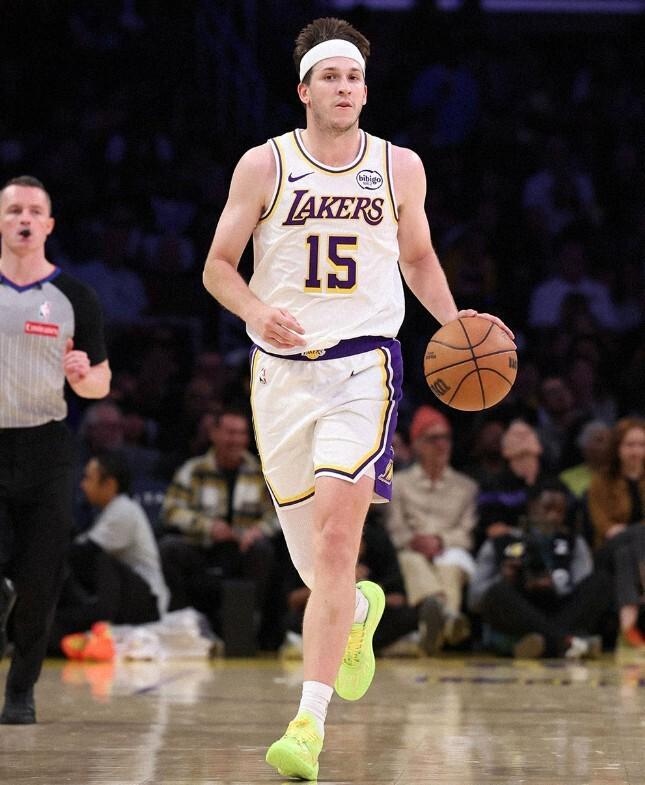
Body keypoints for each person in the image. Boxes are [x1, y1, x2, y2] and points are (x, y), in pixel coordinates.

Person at [201, 18, 513, 780]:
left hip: (362, 369)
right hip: (280, 376)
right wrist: (254, 310)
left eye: (353, 78)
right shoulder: (264, 164)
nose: (343, 88)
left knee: (339, 543)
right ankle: (361, 611)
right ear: (303, 90)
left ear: (365, 91)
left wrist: (456, 322)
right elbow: (216, 266)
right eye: (330, 77)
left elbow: (418, 256)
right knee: (318, 567)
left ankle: (306, 724)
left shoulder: (398, 166)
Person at [0, 175, 111, 723]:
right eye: (12, 210)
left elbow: (101, 384)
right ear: (1, 222)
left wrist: (82, 374)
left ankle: (20, 692)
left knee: (41, 580)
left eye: (33, 211)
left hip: (46, 447)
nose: (23, 218)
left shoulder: (75, 297)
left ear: (48, 224)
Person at [158, 408, 278, 648]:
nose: (236, 440)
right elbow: (170, 510)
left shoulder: (259, 472)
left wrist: (258, 531)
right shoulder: (194, 469)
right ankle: (184, 627)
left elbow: (277, 514)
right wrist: (206, 526)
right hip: (202, 549)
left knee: (264, 550)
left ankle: (249, 629)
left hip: (242, 551)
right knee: (169, 548)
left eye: (241, 433)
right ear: (214, 434)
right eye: (230, 432)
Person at [469, 480, 611, 659]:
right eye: (547, 508)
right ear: (531, 507)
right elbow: (474, 600)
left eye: (560, 511)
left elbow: (583, 589)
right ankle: (566, 642)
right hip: (520, 612)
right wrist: (505, 579)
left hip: (560, 612)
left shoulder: (574, 542)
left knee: (601, 581)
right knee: (497, 592)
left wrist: (556, 586)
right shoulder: (500, 542)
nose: (553, 517)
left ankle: (546, 644)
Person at [52, 451, 169, 657]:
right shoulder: (108, 511)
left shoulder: (124, 510)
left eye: (89, 478)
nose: (82, 485)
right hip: (127, 596)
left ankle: (99, 616)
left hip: (147, 601)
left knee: (100, 559)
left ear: (110, 484)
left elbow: (83, 553)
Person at [385, 405, 477, 654]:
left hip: (450, 550)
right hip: (412, 549)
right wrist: (415, 541)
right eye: (433, 439)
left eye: (445, 437)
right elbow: (395, 529)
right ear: (417, 444)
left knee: (450, 565)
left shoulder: (466, 487)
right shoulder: (399, 484)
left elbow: (466, 533)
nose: (441, 445)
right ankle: (447, 619)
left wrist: (439, 541)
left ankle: (435, 619)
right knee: (410, 560)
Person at [587, 417, 645, 648]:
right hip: (606, 550)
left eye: (641, 445)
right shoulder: (601, 481)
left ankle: (627, 630)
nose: (636, 451)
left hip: (630, 551)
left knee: (626, 553)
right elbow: (604, 526)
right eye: (630, 445)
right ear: (618, 448)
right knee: (637, 533)